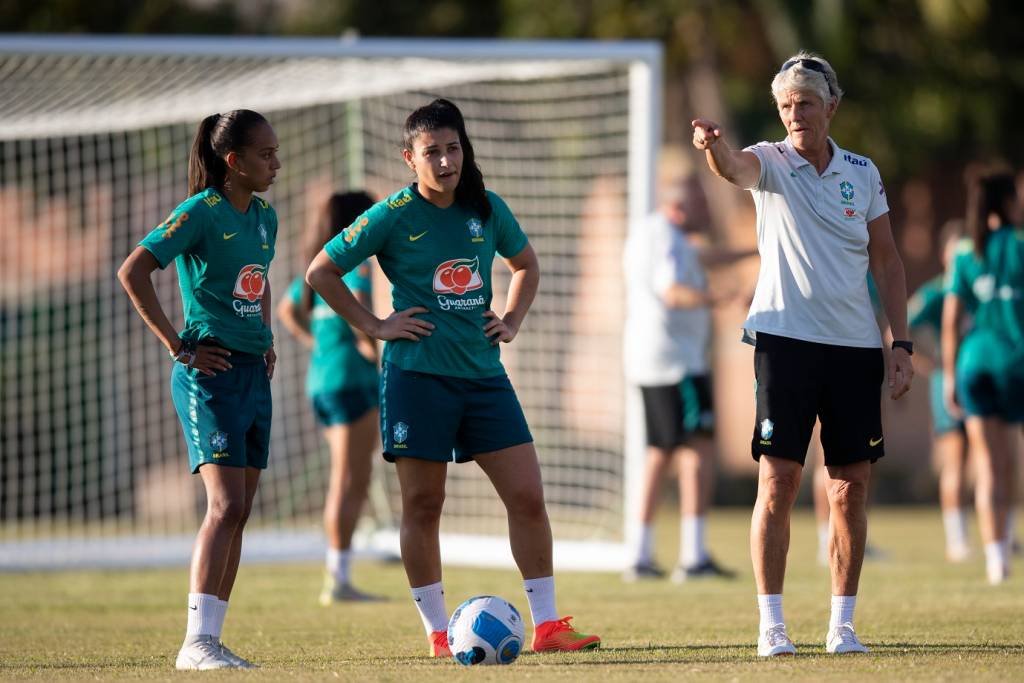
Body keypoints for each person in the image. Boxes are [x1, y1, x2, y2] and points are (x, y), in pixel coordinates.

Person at [305, 98, 601, 657]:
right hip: (417, 379)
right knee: (424, 505)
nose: (445, 161)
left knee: (528, 496)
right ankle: (439, 634)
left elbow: (526, 266)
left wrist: (511, 320)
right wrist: (375, 325)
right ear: (409, 159)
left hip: (484, 378)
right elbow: (320, 271)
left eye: (453, 148)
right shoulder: (391, 214)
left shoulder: (486, 208)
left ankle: (547, 626)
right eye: (432, 152)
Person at [692, 51, 913, 657]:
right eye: (786, 105)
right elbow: (732, 168)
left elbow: (888, 261)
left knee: (848, 488)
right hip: (784, 342)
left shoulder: (863, 173)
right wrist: (712, 146)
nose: (794, 115)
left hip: (854, 349)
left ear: (832, 107)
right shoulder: (770, 161)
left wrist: (901, 343)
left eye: (805, 104)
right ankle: (772, 627)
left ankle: (842, 626)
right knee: (780, 480)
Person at [117, 110, 280, 670]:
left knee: (242, 510)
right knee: (226, 504)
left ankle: (212, 639)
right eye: (265, 155)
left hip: (253, 374)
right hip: (207, 376)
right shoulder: (199, 212)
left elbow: (257, 281)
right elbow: (133, 270)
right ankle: (195, 645)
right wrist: (178, 345)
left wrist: (265, 336)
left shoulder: (264, 217)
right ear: (233, 163)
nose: (276, 164)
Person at [623, 173, 753, 582]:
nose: (706, 212)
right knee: (697, 450)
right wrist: (724, 298)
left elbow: (706, 258)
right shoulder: (665, 239)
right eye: (700, 204)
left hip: (656, 361)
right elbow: (672, 291)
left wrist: (756, 248)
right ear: (680, 207)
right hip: (676, 363)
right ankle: (693, 557)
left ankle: (641, 555)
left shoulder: (663, 234)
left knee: (660, 453)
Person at [277, 190, 383, 604]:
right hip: (351, 381)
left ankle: (340, 574)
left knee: (351, 477)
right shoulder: (354, 263)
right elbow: (359, 302)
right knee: (348, 478)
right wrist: (369, 340)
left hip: (320, 380)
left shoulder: (316, 266)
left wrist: (316, 342)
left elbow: (288, 309)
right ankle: (337, 578)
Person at [942, 171, 1024, 585]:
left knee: (987, 465)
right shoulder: (1021, 245)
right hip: (1015, 363)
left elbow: (952, 316)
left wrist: (949, 377)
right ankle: (1006, 542)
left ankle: (996, 560)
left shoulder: (963, 252)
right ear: (1008, 202)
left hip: (974, 364)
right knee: (1009, 462)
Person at [907, 221, 972, 562]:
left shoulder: (978, 287)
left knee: (996, 458)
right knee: (956, 460)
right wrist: (929, 363)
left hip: (983, 381)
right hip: (950, 385)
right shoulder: (936, 293)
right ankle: (957, 538)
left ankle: (1002, 534)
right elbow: (901, 327)